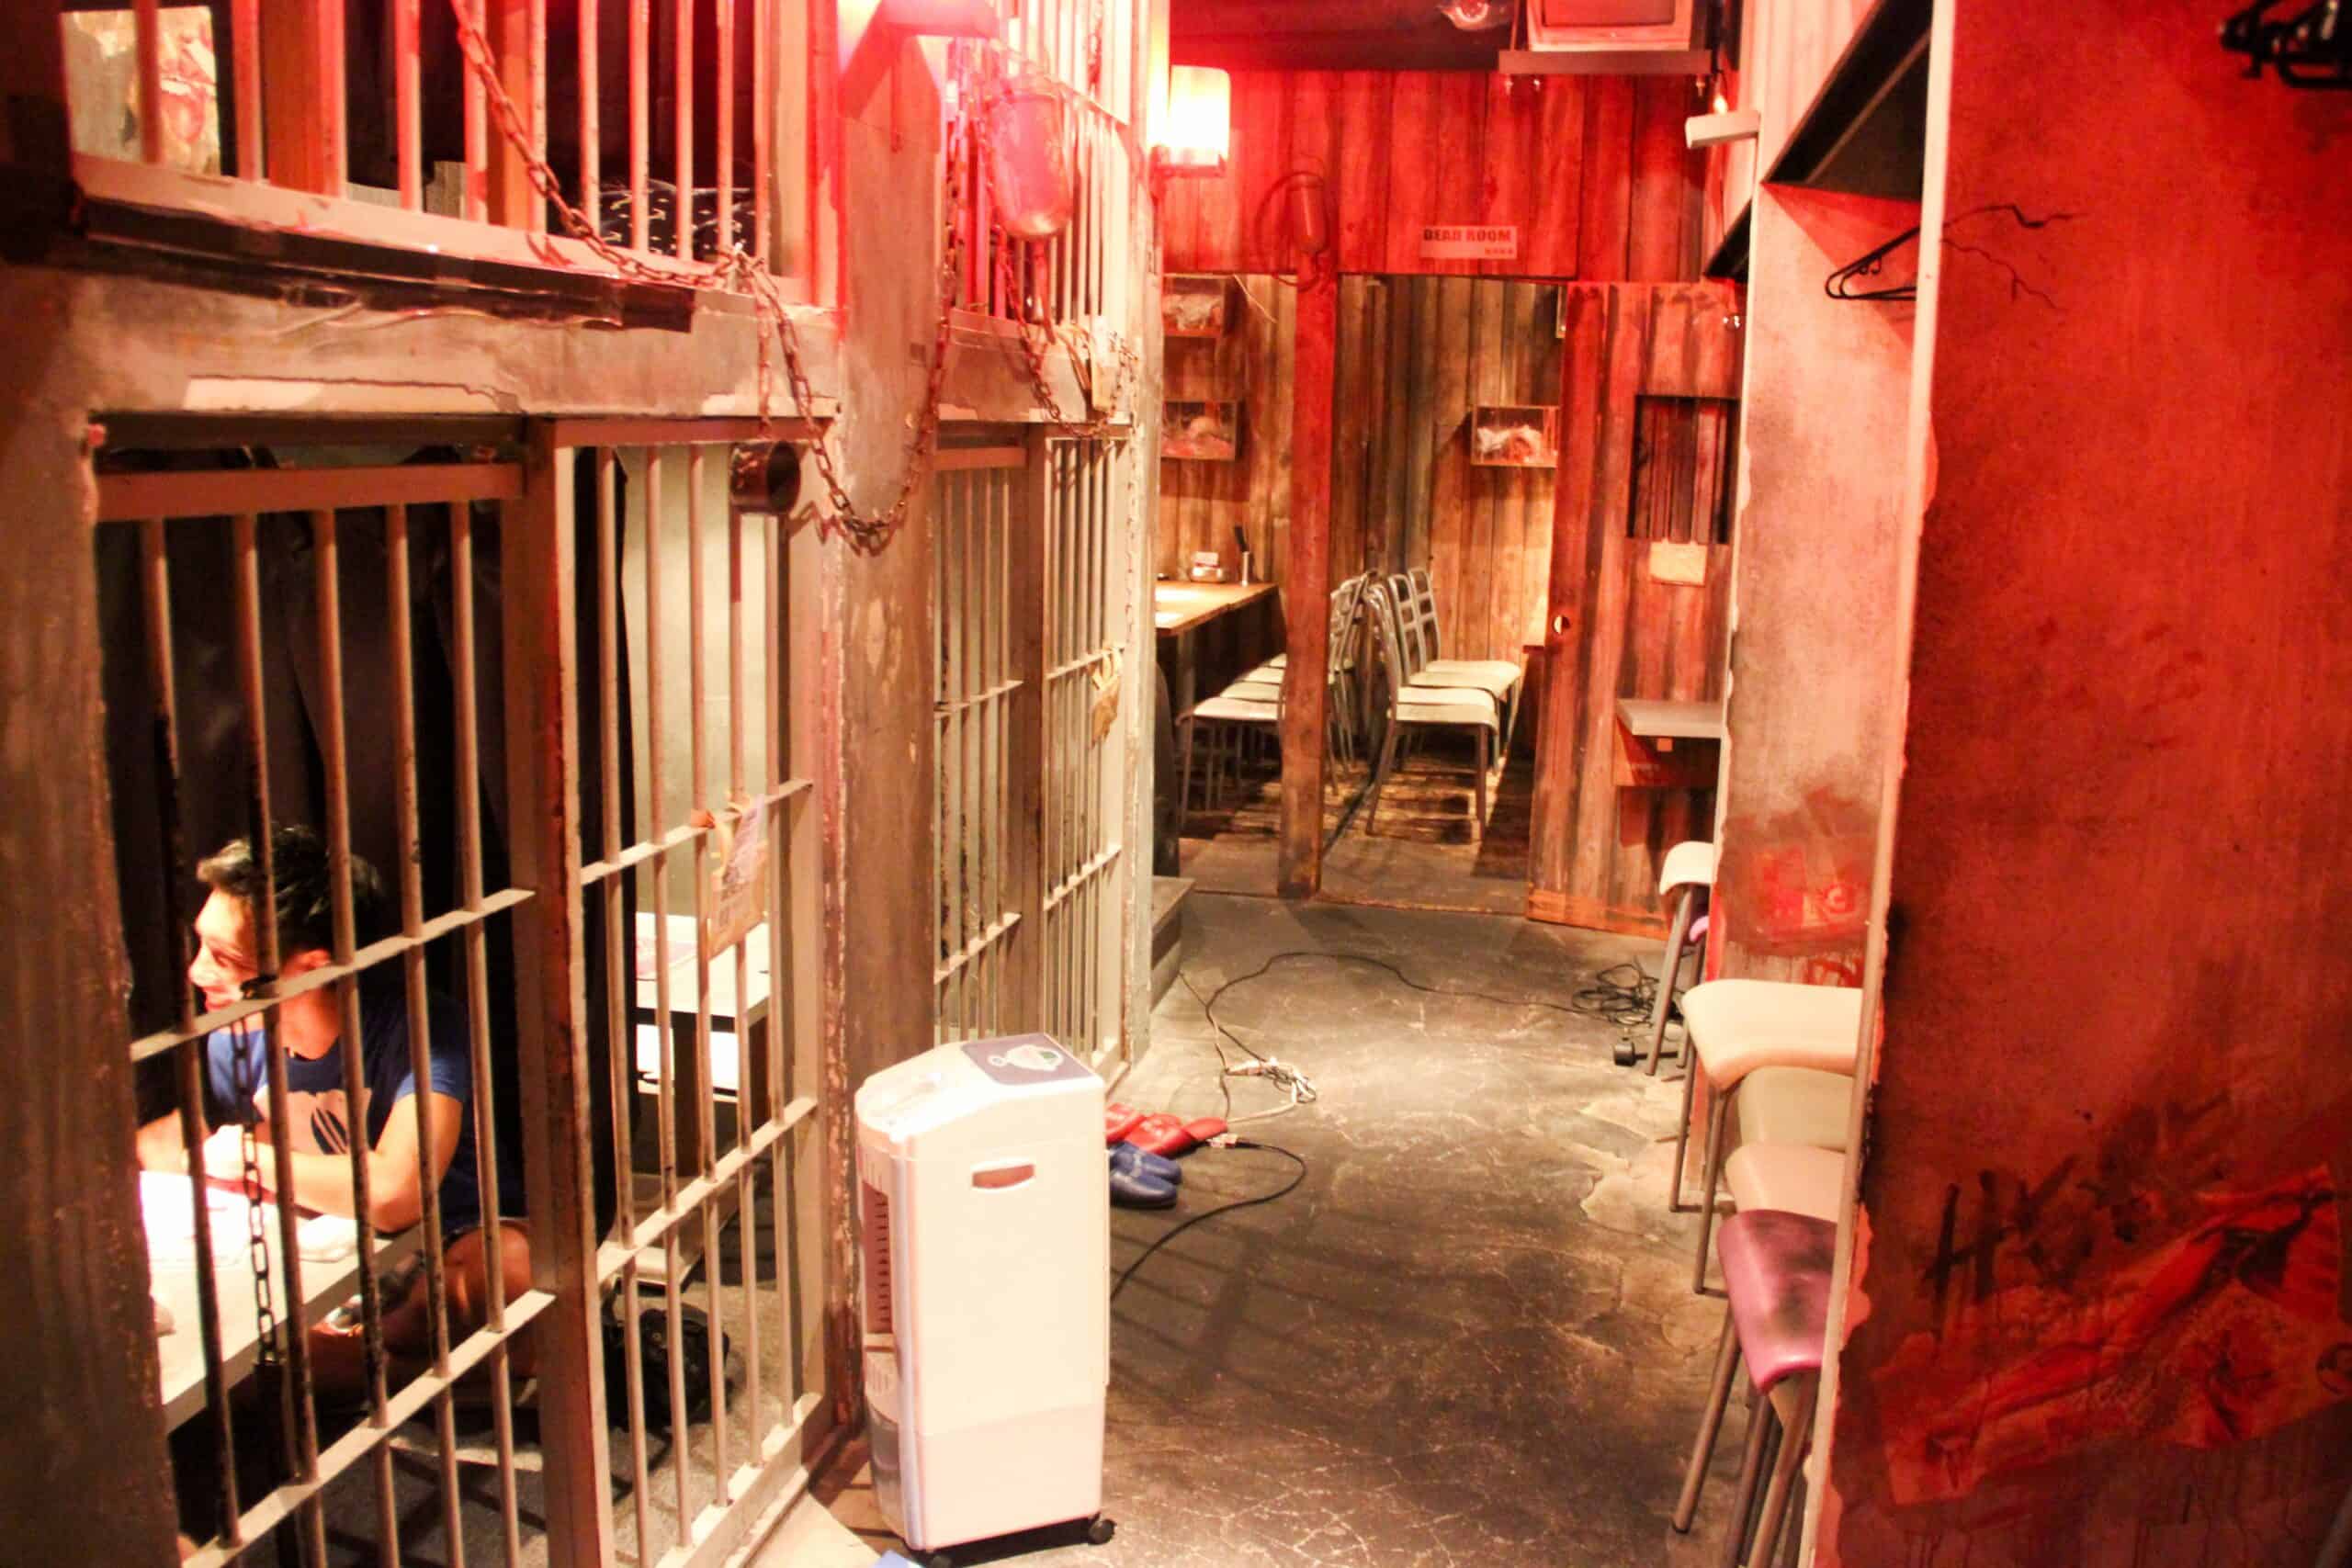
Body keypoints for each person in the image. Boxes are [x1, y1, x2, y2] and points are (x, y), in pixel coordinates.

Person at [136, 826, 530, 1386]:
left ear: (314, 966)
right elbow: (177, 1144)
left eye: (224, 958)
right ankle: (402, 1372)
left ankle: (363, 1368)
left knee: (507, 1274)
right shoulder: (234, 1039)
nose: (198, 972)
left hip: (446, 1241)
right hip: (332, 1253)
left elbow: (399, 1192)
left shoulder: (416, 1024)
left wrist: (252, 1159)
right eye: (201, 946)